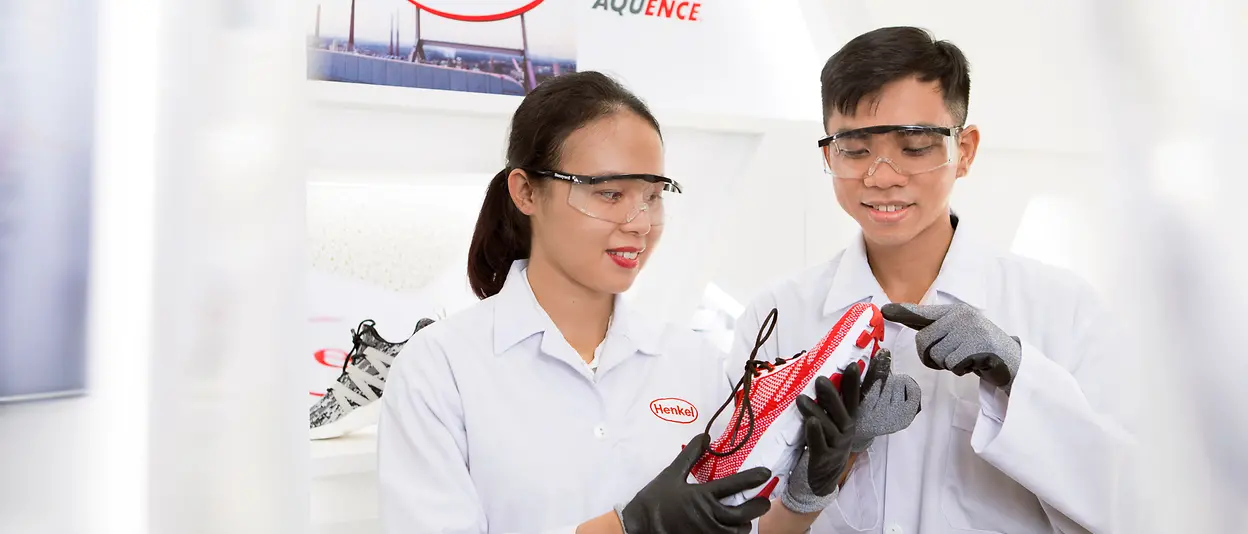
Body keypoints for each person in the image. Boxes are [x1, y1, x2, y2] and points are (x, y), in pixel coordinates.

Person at [375, 71, 896, 534]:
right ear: (526, 193)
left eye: (652, 194)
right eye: (609, 193)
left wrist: (807, 495)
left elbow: (736, 527)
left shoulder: (693, 363)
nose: (640, 222)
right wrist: (629, 527)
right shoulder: (441, 369)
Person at [729, 27, 1135, 534]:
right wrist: (810, 485)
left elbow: (1135, 503)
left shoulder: (1062, 309)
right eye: (854, 149)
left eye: (916, 146)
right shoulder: (778, 317)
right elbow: (725, 510)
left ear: (964, 150)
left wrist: (1019, 378)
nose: (881, 176)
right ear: (828, 155)